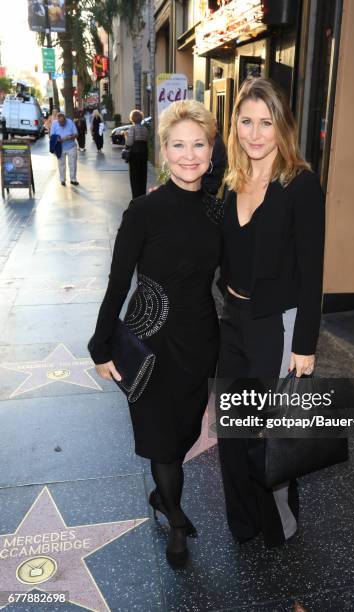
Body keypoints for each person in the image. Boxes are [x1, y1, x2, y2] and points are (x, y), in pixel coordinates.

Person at [87, 100, 221, 568]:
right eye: (179, 145)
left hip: (199, 342)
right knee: (163, 441)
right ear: (163, 151)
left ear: (210, 150)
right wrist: (100, 343)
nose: (189, 155)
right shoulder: (144, 211)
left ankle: (165, 496)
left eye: (198, 144)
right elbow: (118, 280)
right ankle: (176, 520)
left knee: (183, 435)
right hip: (151, 343)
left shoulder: (217, 211)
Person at [216, 77, 326, 548]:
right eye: (246, 122)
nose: (255, 134)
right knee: (231, 433)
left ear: (282, 127)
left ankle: (279, 525)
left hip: (277, 326)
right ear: (234, 125)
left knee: (269, 432)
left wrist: (305, 344)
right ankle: (243, 522)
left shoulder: (300, 184)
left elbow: (313, 271)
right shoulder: (230, 180)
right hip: (233, 322)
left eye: (266, 122)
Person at [50, 111, 79, 186]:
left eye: (63, 122)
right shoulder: (54, 124)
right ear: (57, 120)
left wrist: (69, 137)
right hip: (60, 147)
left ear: (65, 119)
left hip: (71, 146)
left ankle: (73, 179)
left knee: (72, 164)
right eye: (60, 123)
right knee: (61, 164)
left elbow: (76, 134)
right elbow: (51, 136)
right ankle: (62, 179)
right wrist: (57, 139)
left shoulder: (70, 122)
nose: (61, 124)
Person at [126, 109, 149, 198]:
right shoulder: (145, 129)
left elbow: (129, 143)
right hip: (143, 154)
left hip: (134, 155)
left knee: (134, 177)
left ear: (132, 119)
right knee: (143, 176)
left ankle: (135, 197)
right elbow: (146, 140)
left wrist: (126, 136)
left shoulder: (132, 128)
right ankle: (143, 196)